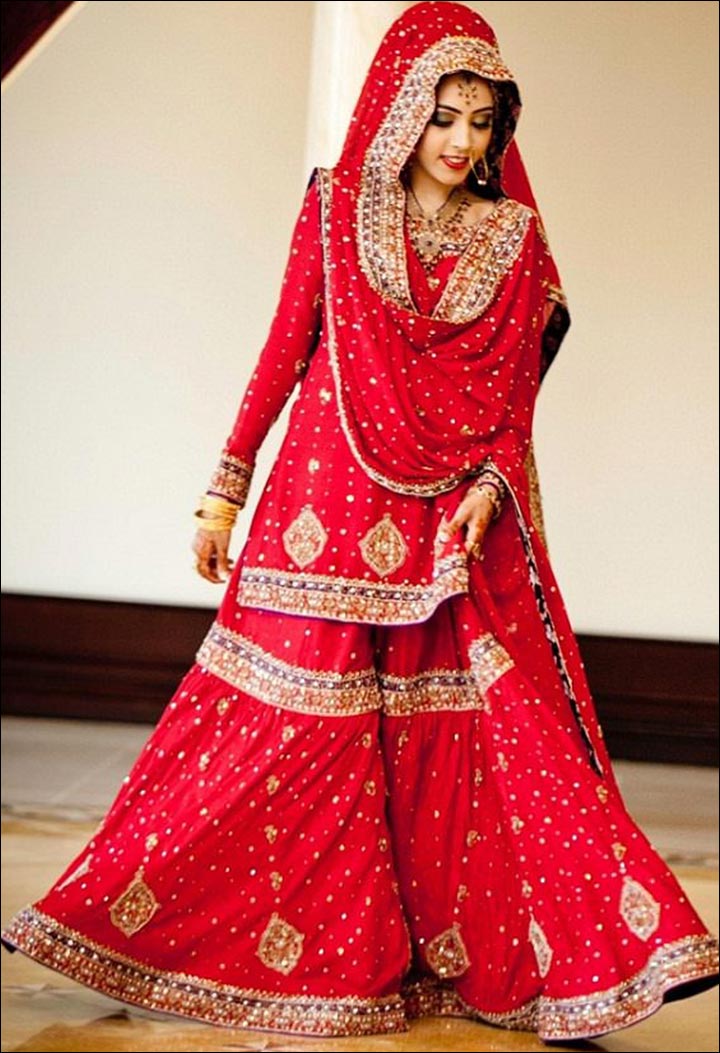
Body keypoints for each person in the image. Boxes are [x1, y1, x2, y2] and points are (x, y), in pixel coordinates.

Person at [2, 1, 717, 1041]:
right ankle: (150, 931)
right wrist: (225, 486)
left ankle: (582, 958)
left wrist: (487, 490)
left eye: (481, 120)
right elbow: (284, 345)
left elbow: (512, 398)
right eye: (443, 116)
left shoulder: (514, 238)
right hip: (321, 508)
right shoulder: (336, 208)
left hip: (450, 521)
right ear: (400, 111)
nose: (462, 141)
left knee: (491, 738)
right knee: (276, 737)